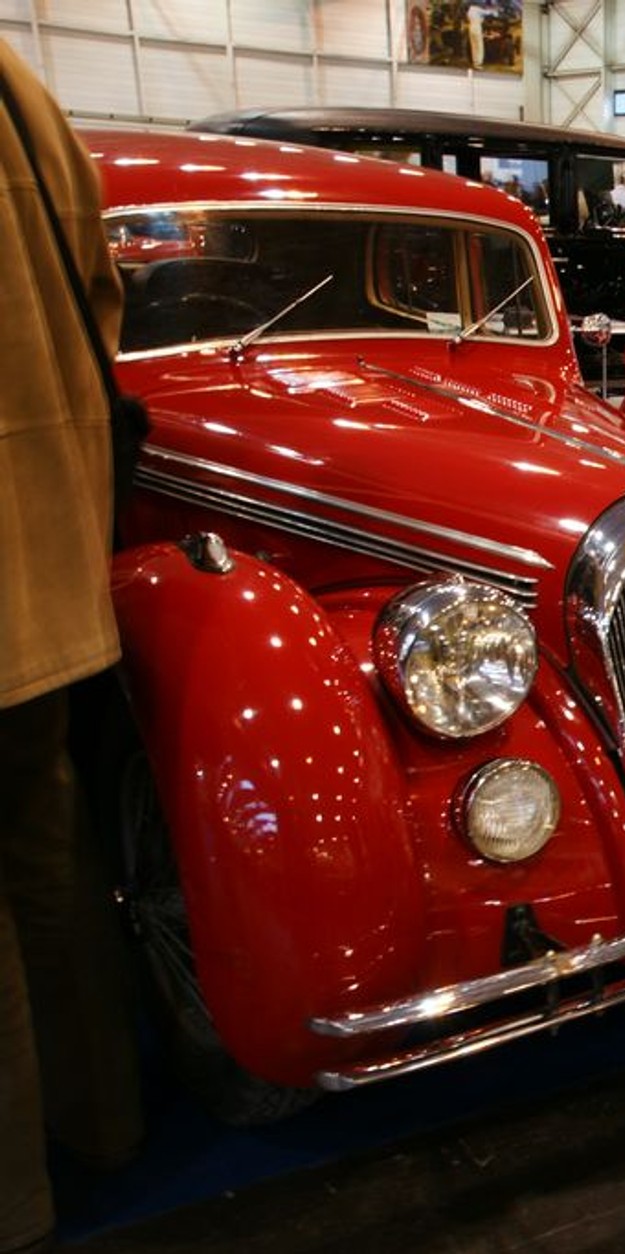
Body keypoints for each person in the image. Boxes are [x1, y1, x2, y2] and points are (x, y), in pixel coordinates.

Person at [0, 40, 145, 1254]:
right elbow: (102, 290)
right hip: (42, 547)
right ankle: (102, 1126)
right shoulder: (21, 86)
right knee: (48, 856)